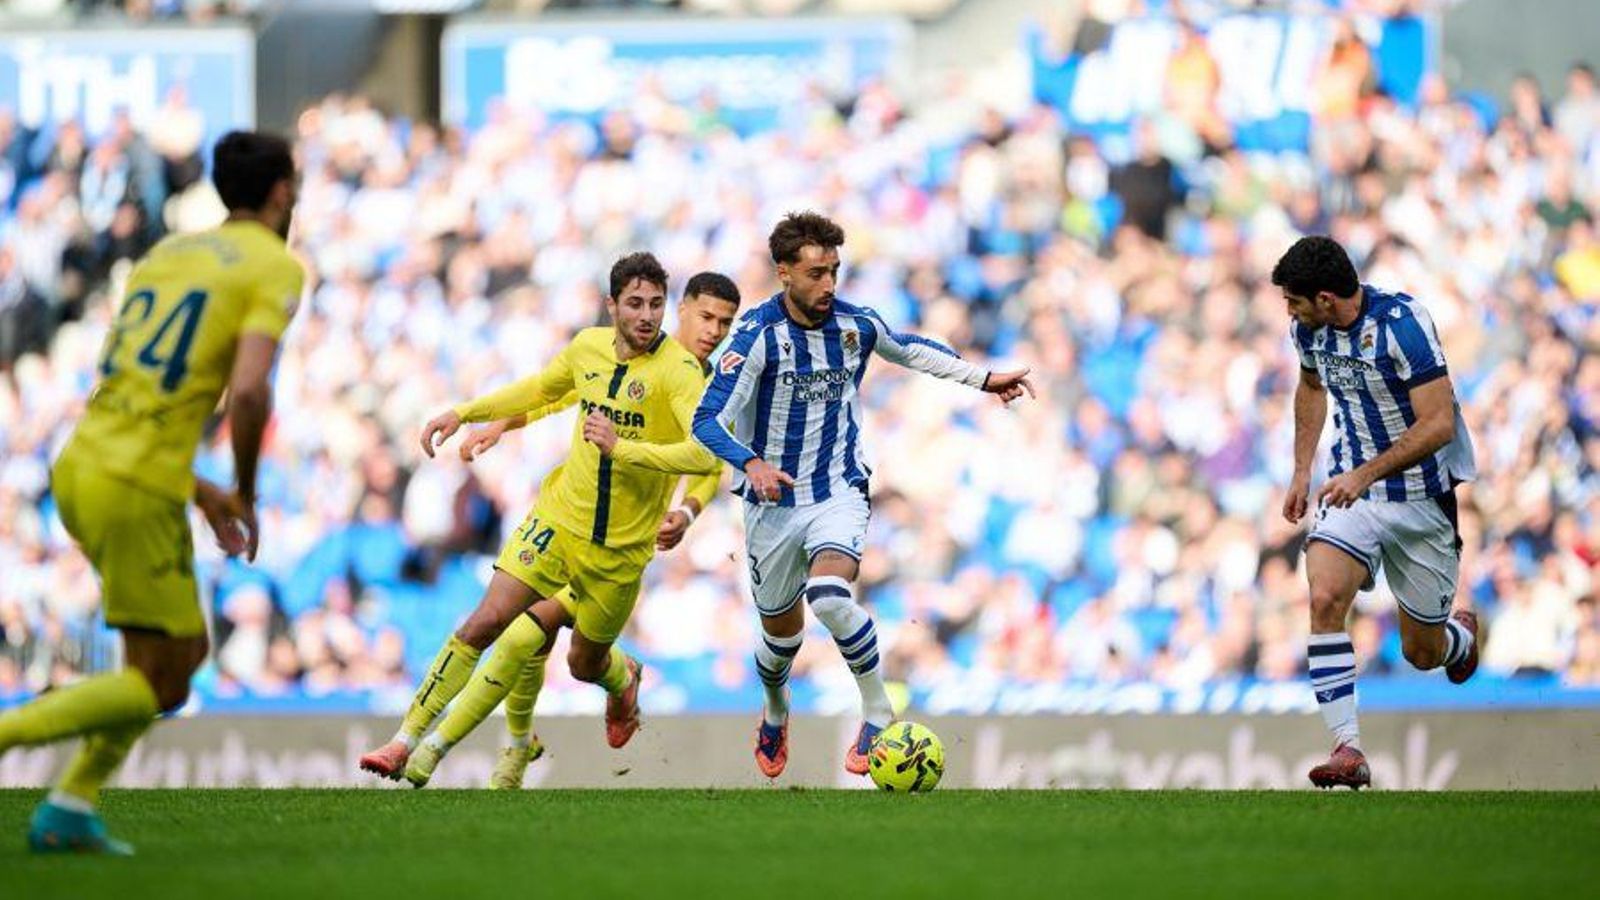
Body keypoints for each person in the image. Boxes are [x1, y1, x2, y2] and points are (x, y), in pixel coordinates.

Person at [0, 131, 302, 852]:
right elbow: (250, 391)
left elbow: (136, 389)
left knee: (177, 655)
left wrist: (201, 492)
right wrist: (245, 491)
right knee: (164, 680)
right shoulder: (274, 264)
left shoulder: (167, 255)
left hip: (86, 462)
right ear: (282, 192)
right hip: (135, 484)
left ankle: (70, 807)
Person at [691, 211, 1033, 778]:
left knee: (828, 596)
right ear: (784, 273)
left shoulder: (856, 325)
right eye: (816, 274)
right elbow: (706, 419)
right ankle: (776, 710)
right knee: (779, 639)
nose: (828, 284)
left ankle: (877, 710)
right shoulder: (756, 337)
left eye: (834, 271)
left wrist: (982, 377)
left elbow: (910, 348)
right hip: (771, 505)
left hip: (838, 489)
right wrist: (750, 463)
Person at [358, 252, 721, 781]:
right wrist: (467, 413)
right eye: (636, 304)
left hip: (619, 550)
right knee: (491, 623)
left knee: (582, 663)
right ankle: (406, 741)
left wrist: (657, 481)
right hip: (559, 522)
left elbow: (707, 455)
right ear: (612, 305)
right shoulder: (588, 348)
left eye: (655, 305)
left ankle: (620, 680)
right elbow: (544, 390)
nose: (647, 316)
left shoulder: (683, 374)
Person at [1276, 235, 1481, 790]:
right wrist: (1302, 470)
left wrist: (1366, 474)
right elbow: (1311, 387)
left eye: (1294, 300)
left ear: (1324, 298)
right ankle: (1346, 747)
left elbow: (1438, 424)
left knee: (1422, 652)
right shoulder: (1308, 331)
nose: (1289, 311)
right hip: (1352, 493)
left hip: (1420, 503)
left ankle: (1459, 640)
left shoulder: (1403, 324)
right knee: (1323, 597)